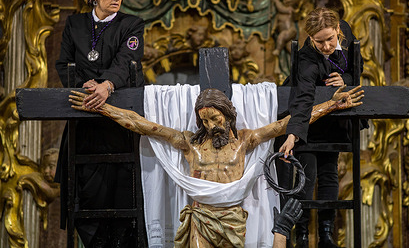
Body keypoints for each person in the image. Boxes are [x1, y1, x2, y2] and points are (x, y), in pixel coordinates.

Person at [69, 85, 363, 247]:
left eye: (216, 118)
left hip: (234, 219)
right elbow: (142, 124)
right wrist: (103, 107)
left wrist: (331, 106)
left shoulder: (248, 140)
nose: (211, 126)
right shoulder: (189, 143)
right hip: (201, 218)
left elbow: (287, 124)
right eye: (205, 121)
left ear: (228, 114)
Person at [54, 0, 145, 248]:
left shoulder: (131, 25)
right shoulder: (74, 25)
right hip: (85, 129)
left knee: (122, 202)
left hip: (119, 129)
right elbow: (63, 64)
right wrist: (86, 87)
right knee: (86, 203)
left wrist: (106, 85)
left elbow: (126, 63)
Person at [279, 7, 365, 248]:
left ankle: (326, 234)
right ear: (310, 38)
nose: (327, 46)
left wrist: (345, 80)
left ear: (338, 30)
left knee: (329, 172)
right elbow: (304, 97)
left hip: (335, 118)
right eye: (320, 41)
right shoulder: (307, 58)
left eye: (330, 39)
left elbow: (358, 69)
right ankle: (303, 233)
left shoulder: (347, 33)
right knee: (307, 175)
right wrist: (293, 133)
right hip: (310, 119)